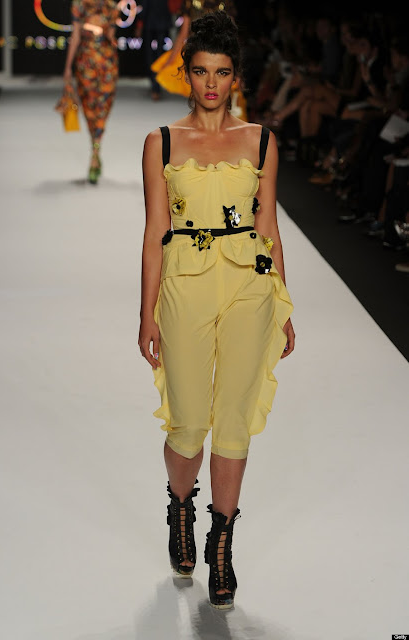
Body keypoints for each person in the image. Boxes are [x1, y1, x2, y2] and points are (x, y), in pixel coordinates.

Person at [138, 11, 294, 610]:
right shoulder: (161, 142)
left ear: (235, 77)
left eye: (222, 73)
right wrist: (146, 314)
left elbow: (269, 226)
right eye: (202, 71)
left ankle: (221, 546)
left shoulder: (261, 141)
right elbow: (154, 233)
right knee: (186, 422)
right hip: (184, 284)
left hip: (249, 286)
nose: (211, 84)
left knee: (232, 419)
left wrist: (284, 305)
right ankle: (181, 508)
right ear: (187, 73)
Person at [62, 0, 120, 184]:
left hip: (101, 62)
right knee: (92, 106)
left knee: (99, 106)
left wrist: (68, 67)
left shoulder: (110, 6)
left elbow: (109, 36)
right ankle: (96, 147)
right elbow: (76, 36)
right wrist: (68, 67)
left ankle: (95, 150)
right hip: (92, 63)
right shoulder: (81, 4)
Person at [135, 0, 172, 101]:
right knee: (157, 56)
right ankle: (156, 87)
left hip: (152, 23)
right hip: (159, 23)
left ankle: (156, 87)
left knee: (152, 56)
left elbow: (144, 7)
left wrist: (139, 25)